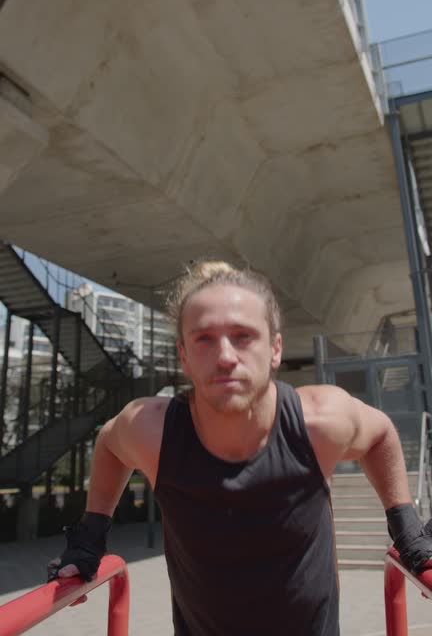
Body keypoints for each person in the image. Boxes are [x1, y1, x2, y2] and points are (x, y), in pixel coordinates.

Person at [48, 261, 432, 635]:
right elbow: (110, 445)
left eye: (244, 336)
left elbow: (380, 434)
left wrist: (407, 529)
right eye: (204, 338)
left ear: (276, 349)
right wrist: (89, 537)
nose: (226, 356)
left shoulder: (319, 423)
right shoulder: (153, 431)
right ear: (183, 355)